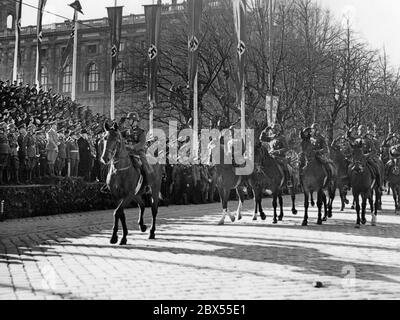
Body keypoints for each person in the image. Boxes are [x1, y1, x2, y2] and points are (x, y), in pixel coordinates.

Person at [347, 125, 385, 191]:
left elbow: (374, 151)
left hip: (367, 159)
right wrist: (349, 131)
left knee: (376, 167)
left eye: (363, 130)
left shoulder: (368, 140)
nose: (361, 132)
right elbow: (348, 139)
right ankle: (348, 184)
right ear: (358, 131)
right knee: (349, 167)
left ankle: (379, 185)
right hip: (357, 159)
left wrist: (366, 155)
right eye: (360, 130)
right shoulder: (356, 140)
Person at [259, 123, 293, 188]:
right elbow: (261, 138)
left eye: (274, 129)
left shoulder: (282, 137)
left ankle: (289, 180)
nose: (273, 131)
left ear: (278, 130)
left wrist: (277, 151)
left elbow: (286, 148)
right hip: (271, 156)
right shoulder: (271, 137)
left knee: (285, 166)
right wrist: (265, 130)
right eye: (272, 129)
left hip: (280, 156)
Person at [124, 112, 154, 180]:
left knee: (144, 165)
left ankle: (148, 184)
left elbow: (142, 143)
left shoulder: (141, 132)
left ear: (135, 121)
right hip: (127, 152)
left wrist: (133, 147)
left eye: (130, 119)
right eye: (128, 120)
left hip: (138, 152)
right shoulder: (126, 131)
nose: (129, 121)